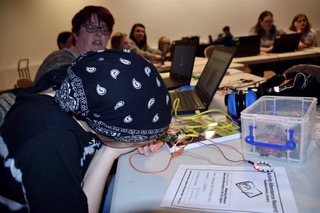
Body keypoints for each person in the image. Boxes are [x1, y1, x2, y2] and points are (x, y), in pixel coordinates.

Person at [0, 49, 172, 213]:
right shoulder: (49, 142)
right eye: (140, 137)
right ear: (109, 130)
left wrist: (120, 143)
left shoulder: (77, 83)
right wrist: (110, 151)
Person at [33, 5, 115, 84]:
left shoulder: (108, 61)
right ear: (76, 34)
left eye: (104, 29)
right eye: (91, 27)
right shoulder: (59, 61)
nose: (99, 33)